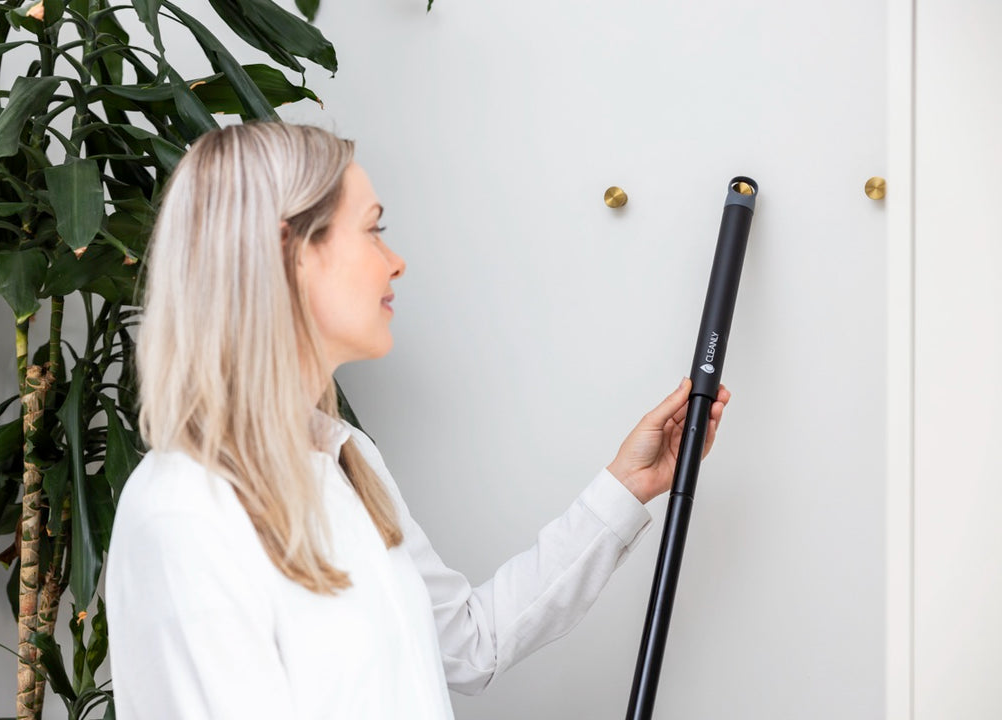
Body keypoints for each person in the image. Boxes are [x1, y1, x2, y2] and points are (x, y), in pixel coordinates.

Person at [105, 122, 730, 720]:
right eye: (374, 231)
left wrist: (628, 486)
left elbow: (470, 644)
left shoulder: (346, 462)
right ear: (286, 251)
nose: (396, 261)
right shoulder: (182, 513)